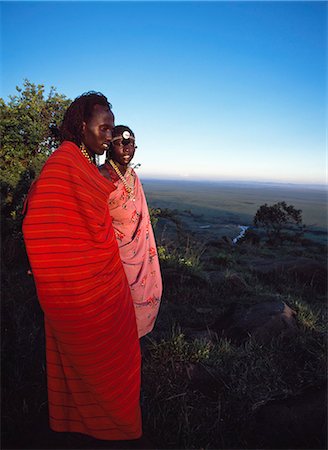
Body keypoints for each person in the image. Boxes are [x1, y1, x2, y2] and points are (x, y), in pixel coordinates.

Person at [22, 93, 142, 441]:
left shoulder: (84, 162)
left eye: (111, 128)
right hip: (80, 283)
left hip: (106, 279)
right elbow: (40, 220)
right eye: (103, 128)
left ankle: (99, 427)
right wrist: (59, 265)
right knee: (93, 363)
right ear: (81, 126)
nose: (109, 135)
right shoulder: (65, 161)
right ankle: (102, 430)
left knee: (120, 360)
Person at [99, 126, 162, 338]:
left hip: (138, 252)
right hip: (112, 254)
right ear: (109, 146)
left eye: (131, 143)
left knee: (147, 293)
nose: (127, 148)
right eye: (121, 143)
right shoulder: (101, 176)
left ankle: (133, 341)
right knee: (116, 306)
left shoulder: (132, 175)